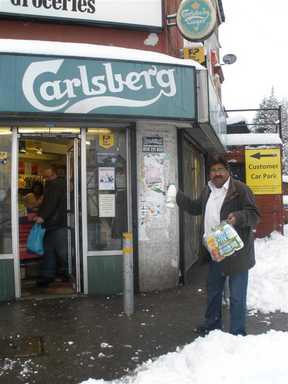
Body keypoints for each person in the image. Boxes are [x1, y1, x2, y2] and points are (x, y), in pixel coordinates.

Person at [173, 154, 260, 336]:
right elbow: (195, 207)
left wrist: (238, 217)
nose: (217, 173)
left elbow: (254, 215)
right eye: (213, 170)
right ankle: (212, 325)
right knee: (213, 292)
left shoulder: (240, 189)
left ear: (227, 171)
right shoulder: (207, 191)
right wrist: (176, 195)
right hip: (215, 251)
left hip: (237, 253)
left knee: (236, 296)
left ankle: (237, 332)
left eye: (220, 169)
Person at [35, 165, 68, 287]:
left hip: (55, 223)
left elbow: (51, 203)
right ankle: (54, 274)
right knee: (54, 250)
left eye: (48, 176)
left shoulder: (55, 185)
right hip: (55, 222)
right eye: (45, 176)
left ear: (54, 173)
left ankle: (56, 274)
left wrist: (42, 216)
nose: (47, 178)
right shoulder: (57, 184)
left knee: (57, 250)